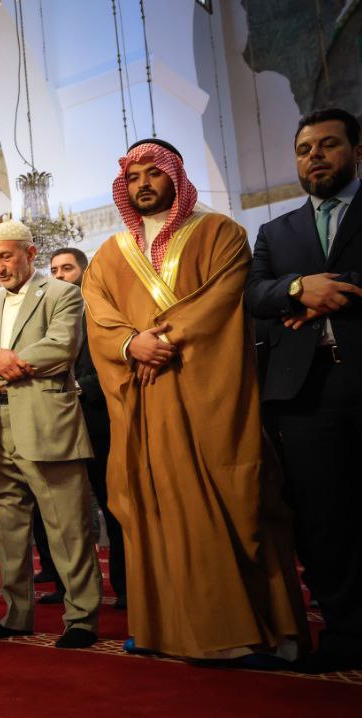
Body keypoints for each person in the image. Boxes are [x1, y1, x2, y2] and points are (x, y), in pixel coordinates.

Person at [83, 138, 307, 664]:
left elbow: (223, 301)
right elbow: (98, 314)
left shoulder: (221, 234)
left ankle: (255, 631)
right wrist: (128, 344)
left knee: (240, 496)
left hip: (210, 395)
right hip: (144, 403)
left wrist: (159, 341)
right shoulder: (110, 255)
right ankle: (170, 630)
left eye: (153, 173)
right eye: (133, 175)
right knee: (154, 508)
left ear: (176, 178)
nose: (143, 183)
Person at [246, 108, 362, 672]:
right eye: (303, 148)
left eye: (328, 144)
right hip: (306, 397)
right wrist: (295, 287)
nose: (314, 155)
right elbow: (253, 295)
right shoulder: (275, 232)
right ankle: (346, 631)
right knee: (324, 519)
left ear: (355, 152)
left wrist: (328, 290)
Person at [0, 220, 103, 649]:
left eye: (7, 257)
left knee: (68, 526)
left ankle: (81, 618)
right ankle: (16, 614)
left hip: (47, 424)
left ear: (30, 254)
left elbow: (59, 350)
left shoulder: (62, 293)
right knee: (9, 526)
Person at [50, 247, 126, 610]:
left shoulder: (100, 311)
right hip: (60, 426)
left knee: (114, 508)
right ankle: (69, 587)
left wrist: (77, 388)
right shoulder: (48, 315)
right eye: (54, 270)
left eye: (67, 268)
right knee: (66, 513)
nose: (60, 275)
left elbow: (111, 363)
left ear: (84, 272)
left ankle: (126, 588)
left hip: (99, 423)